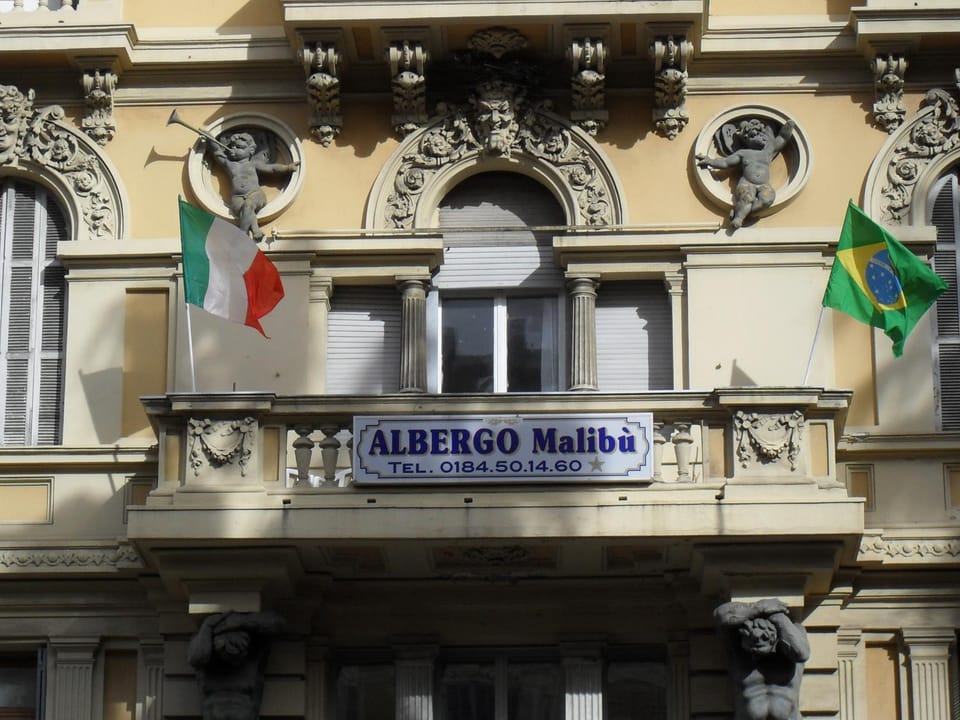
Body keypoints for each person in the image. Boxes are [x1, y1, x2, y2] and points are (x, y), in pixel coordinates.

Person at [714, 598, 810, 720]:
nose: (756, 645)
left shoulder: (792, 640)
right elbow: (719, 615)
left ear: (774, 636)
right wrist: (759, 608)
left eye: (763, 639)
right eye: (751, 641)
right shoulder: (737, 649)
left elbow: (802, 654)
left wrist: (778, 616)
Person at [696, 119, 795, 229]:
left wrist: (789, 126)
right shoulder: (743, 153)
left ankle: (741, 212)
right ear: (746, 139)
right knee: (747, 198)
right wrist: (710, 161)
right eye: (755, 134)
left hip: (764, 185)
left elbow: (782, 138)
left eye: (762, 135)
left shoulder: (768, 151)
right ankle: (739, 218)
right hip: (747, 183)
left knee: (767, 200)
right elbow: (725, 162)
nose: (760, 137)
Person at [188, 610, 285, 720]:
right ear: (218, 649)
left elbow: (278, 623)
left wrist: (241, 621)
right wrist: (208, 625)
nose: (235, 659)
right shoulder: (205, 652)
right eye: (228, 653)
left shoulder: (254, 652)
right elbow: (196, 659)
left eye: (239, 653)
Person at [207, 131, 298, 241]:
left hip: (255, 194)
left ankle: (242, 235)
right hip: (237, 197)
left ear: (250, 151)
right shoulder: (230, 165)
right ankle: (255, 230)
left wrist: (288, 168)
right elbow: (217, 152)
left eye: (239, 147)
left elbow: (272, 169)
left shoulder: (253, 164)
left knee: (248, 205)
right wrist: (210, 139)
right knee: (247, 209)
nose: (234, 149)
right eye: (232, 146)